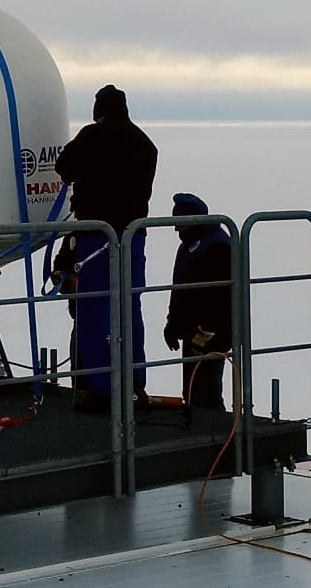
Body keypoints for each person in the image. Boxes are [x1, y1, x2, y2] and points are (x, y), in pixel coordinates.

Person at [54, 85, 158, 412]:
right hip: (133, 236)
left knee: (95, 311)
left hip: (97, 237)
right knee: (129, 309)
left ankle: (102, 390)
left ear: (99, 110)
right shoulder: (144, 144)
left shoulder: (92, 136)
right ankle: (134, 385)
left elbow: (64, 167)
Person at [164, 192, 231, 411]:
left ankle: (215, 428)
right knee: (194, 391)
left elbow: (219, 299)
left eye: (180, 224)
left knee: (206, 392)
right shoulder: (191, 244)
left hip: (208, 336)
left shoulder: (217, 247)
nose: (176, 230)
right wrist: (173, 325)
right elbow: (180, 289)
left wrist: (205, 335)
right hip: (192, 332)